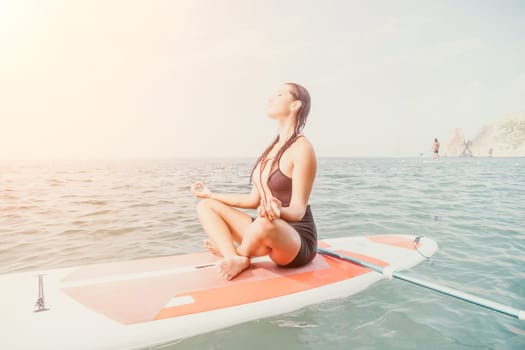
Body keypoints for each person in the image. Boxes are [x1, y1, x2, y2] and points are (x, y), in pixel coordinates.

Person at [190, 82, 317, 280]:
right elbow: (251, 201)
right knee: (206, 206)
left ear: (295, 105)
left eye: (280, 95)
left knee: (264, 222)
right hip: (265, 227)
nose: (270, 99)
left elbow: (298, 211)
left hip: (296, 241)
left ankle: (239, 252)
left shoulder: (302, 149)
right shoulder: (273, 148)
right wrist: (210, 194)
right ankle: (234, 257)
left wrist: (277, 211)